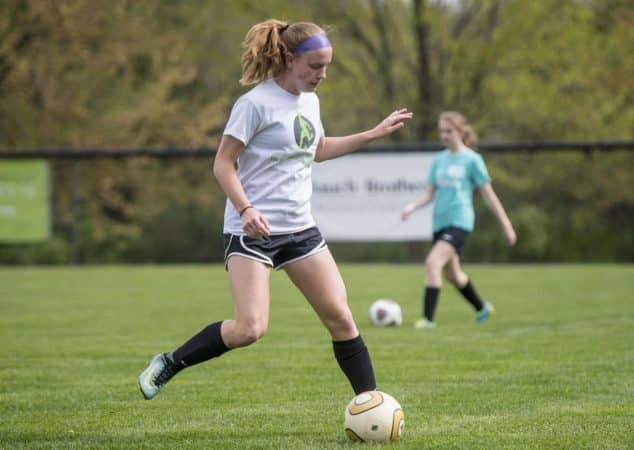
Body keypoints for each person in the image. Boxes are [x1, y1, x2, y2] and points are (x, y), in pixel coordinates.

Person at [138, 19, 413, 399]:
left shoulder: (311, 102)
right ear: (288, 58)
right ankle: (170, 362)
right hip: (251, 232)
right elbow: (223, 164)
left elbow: (317, 150)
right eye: (315, 66)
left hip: (301, 230)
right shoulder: (254, 104)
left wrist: (372, 133)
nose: (322, 74)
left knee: (341, 318)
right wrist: (246, 209)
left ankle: (370, 404)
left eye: (326, 66)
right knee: (250, 329)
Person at [400, 111, 516, 329]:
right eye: (441, 131)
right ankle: (482, 308)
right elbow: (429, 193)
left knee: (432, 263)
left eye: (448, 131)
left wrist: (506, 225)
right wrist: (412, 207)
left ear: (461, 132)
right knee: (453, 274)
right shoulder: (439, 160)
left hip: (460, 220)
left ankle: (428, 320)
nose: (444, 136)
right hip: (440, 222)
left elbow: (489, 195)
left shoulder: (473, 160)